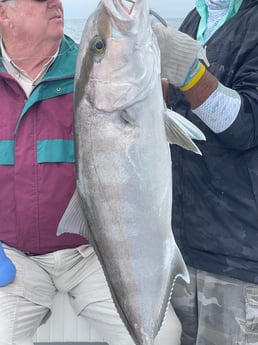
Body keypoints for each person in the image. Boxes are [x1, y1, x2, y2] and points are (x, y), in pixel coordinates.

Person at [0, 0, 182, 344]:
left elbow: (142, 99)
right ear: (4, 14)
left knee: (163, 336)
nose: (55, 2)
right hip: (15, 259)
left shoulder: (91, 73)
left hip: (93, 254)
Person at [154, 0, 258, 343]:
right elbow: (187, 103)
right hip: (183, 252)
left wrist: (189, 72)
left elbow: (244, 125)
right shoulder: (197, 17)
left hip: (238, 258)